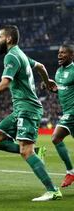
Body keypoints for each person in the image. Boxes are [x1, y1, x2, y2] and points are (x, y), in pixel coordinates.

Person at [0, 25, 61, 201]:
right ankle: (36, 151)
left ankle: (52, 190)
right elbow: (40, 66)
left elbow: (5, 83)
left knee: (25, 151)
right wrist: (47, 81)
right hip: (20, 109)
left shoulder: (12, 56)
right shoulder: (21, 54)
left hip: (28, 108)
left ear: (9, 39)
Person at [51, 43, 74, 188]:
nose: (59, 55)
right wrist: (53, 89)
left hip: (72, 113)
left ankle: (70, 172)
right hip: (68, 112)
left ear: (72, 55)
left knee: (56, 137)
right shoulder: (58, 72)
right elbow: (62, 89)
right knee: (56, 138)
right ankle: (71, 172)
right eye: (59, 52)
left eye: (63, 53)